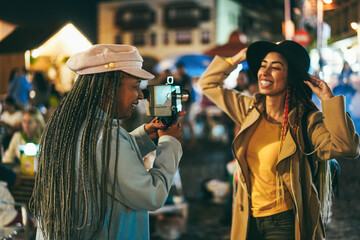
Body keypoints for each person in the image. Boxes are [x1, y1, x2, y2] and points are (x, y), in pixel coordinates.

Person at [199, 40, 359, 240]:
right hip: (248, 219)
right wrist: (239, 58)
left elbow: (347, 147)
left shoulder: (306, 121)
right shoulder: (250, 110)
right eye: (262, 65)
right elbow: (208, 84)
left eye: (275, 67)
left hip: (284, 223)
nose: (264, 72)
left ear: (290, 77)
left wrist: (329, 101)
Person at [30, 44, 184, 240]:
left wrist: (143, 137)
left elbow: (99, 163)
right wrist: (169, 143)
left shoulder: (65, 128)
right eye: (135, 86)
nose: (140, 96)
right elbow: (153, 194)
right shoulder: (105, 137)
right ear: (109, 88)